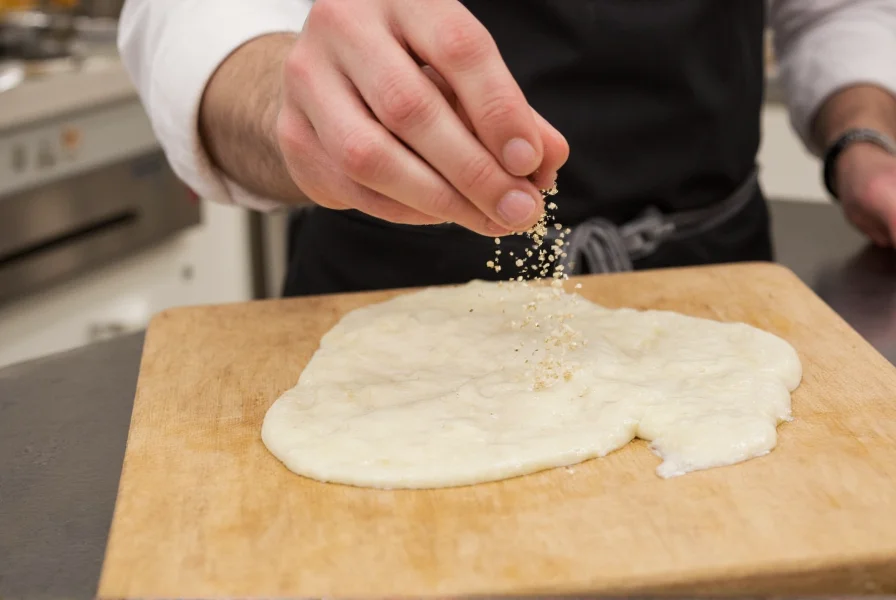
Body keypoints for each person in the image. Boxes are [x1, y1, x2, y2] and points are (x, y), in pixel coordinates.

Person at [118, 0, 896, 297]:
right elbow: (193, 17)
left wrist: (863, 134)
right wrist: (295, 99)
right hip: (387, 291)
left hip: (720, 285)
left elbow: (837, 8)